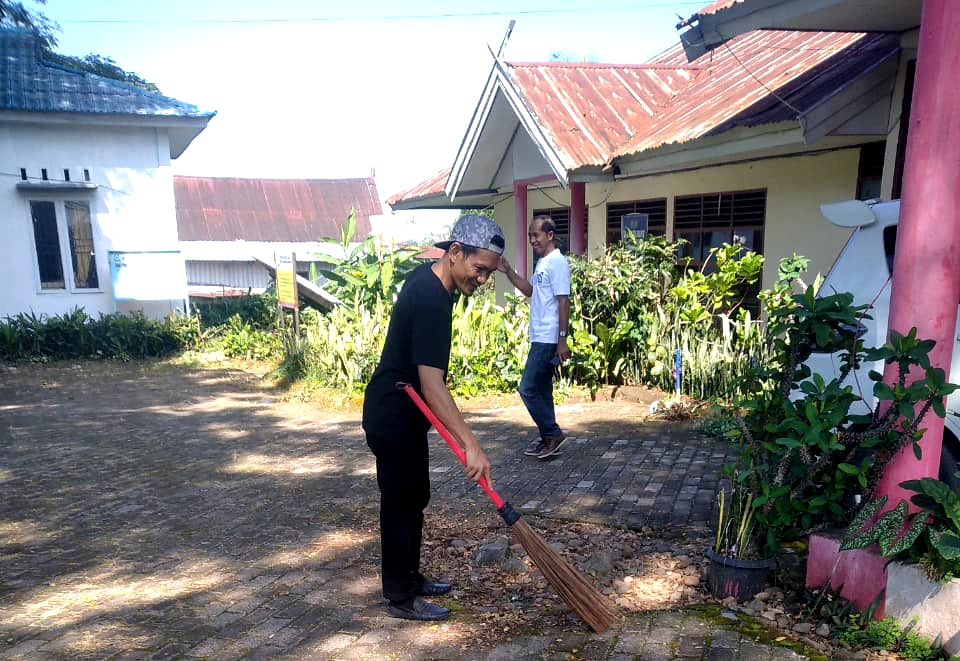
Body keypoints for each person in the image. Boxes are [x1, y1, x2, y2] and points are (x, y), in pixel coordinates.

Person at [362, 214, 505, 621]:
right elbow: (432, 384)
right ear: (455, 253)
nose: (481, 280)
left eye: (488, 273)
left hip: (409, 414)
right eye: (479, 270)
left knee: (415, 498)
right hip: (393, 413)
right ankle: (400, 598)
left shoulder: (436, 283)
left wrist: (500, 262)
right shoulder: (430, 298)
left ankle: (411, 575)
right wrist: (471, 445)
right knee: (399, 503)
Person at [497, 215, 571, 460]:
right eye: (530, 235)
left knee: (527, 388)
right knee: (542, 389)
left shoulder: (557, 262)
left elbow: (563, 301)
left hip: (548, 337)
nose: (532, 240)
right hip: (540, 335)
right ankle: (548, 439)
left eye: (536, 235)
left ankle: (552, 433)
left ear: (550, 235)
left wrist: (562, 340)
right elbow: (530, 291)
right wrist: (508, 270)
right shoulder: (543, 262)